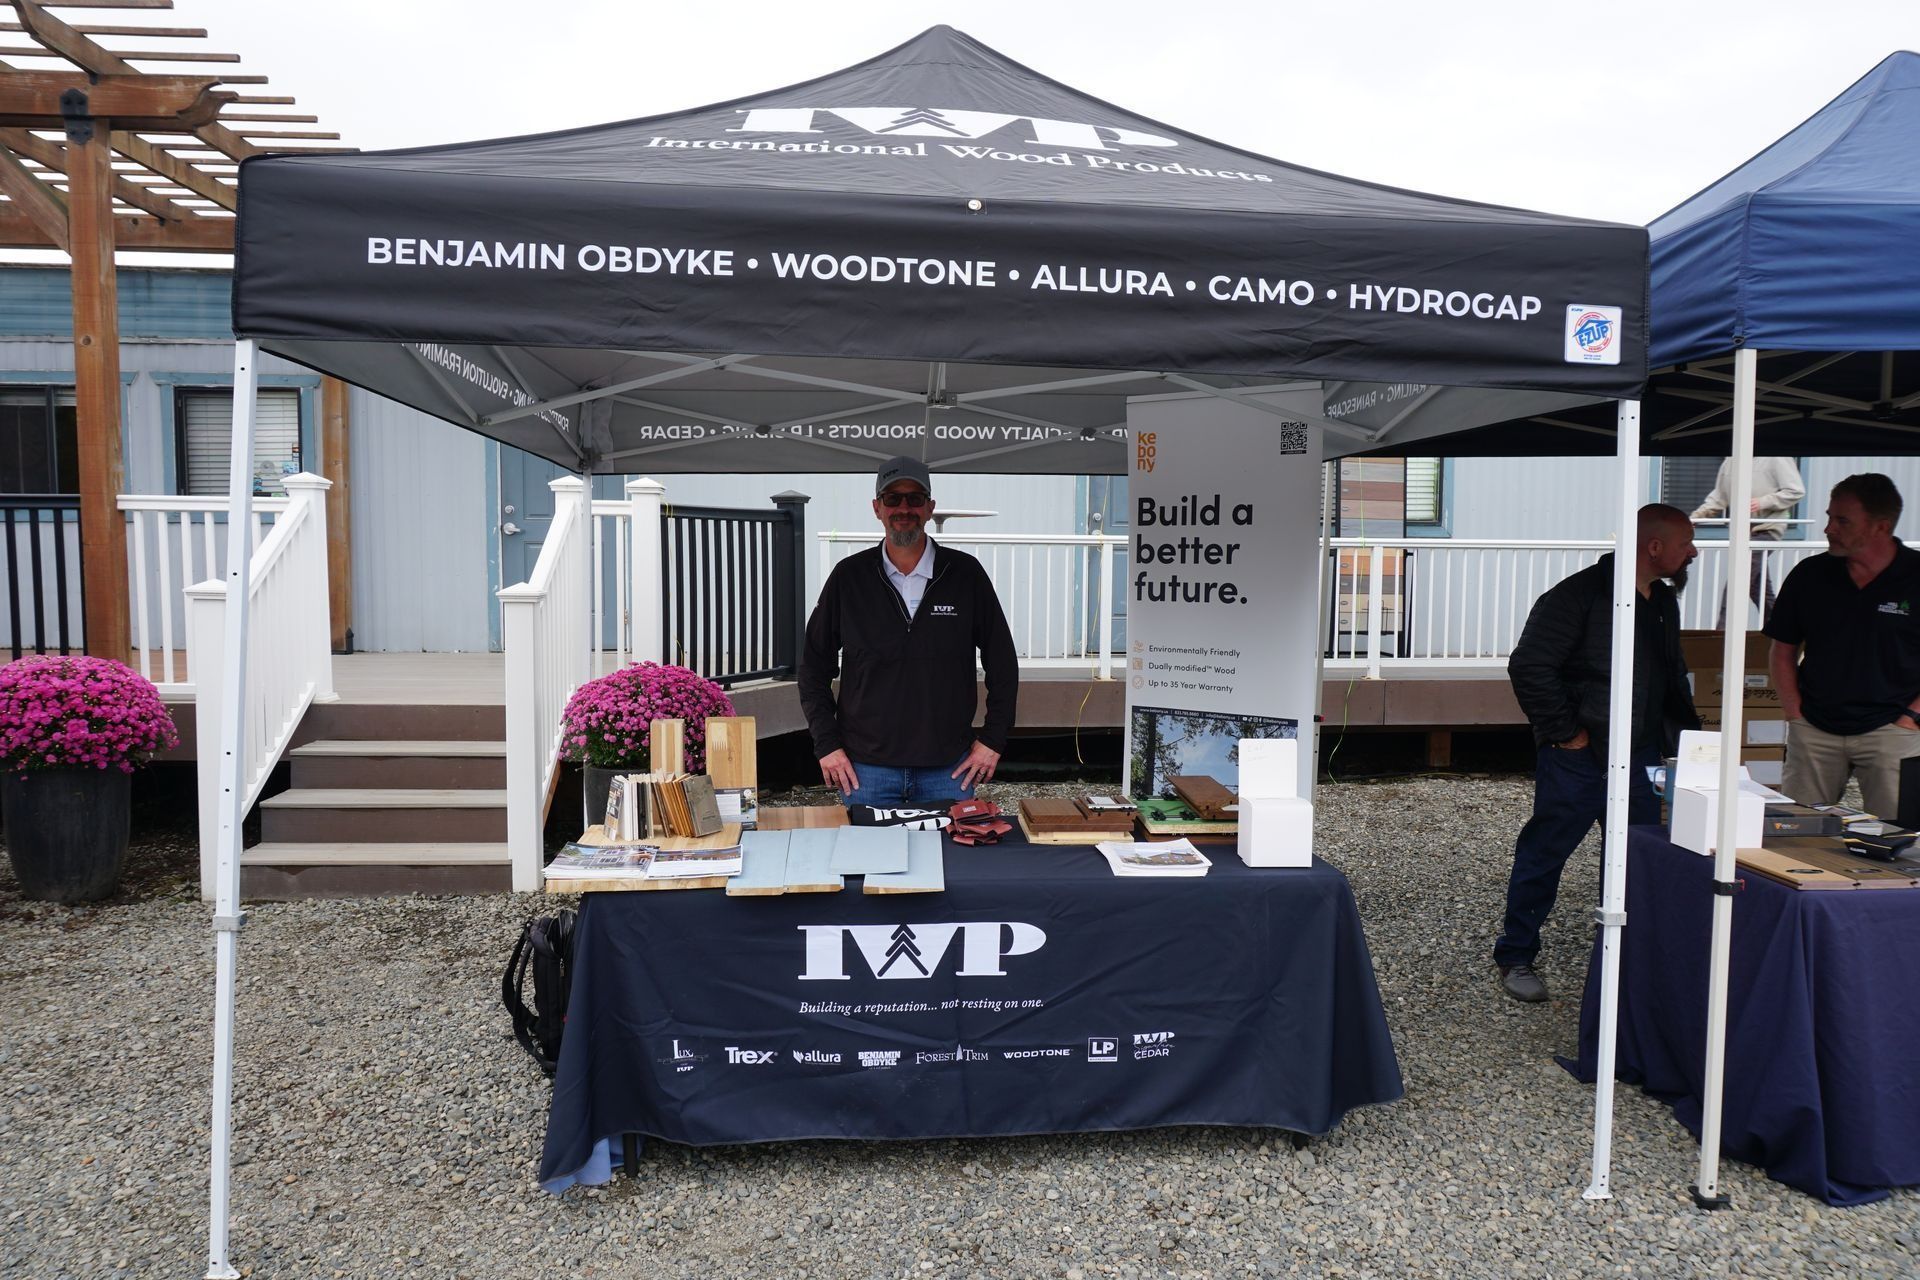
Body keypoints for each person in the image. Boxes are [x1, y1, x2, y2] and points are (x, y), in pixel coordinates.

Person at [1495, 504, 1702, 1004]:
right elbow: (1529, 666)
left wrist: (1691, 740)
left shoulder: (1661, 602)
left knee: (1638, 856)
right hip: (1579, 756)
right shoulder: (1578, 596)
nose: (1693, 551)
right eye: (1685, 543)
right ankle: (1516, 953)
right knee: (1546, 853)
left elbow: (1671, 678)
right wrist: (1568, 734)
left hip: (1642, 753)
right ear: (1655, 547)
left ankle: (1633, 956)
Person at [798, 456, 1019, 808]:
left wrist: (993, 741)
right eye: (892, 498)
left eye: (915, 499)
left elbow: (1003, 665)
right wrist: (827, 745)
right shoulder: (848, 578)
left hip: (949, 770)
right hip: (865, 772)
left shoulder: (965, 574)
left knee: (956, 863)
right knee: (869, 864)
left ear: (930, 508)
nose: (904, 508)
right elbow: (813, 668)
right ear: (877, 508)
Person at [1766, 474, 1920, 817]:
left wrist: (1911, 718)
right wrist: (1796, 716)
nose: (1828, 529)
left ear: (1881, 527)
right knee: (1797, 836)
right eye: (1828, 517)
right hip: (1815, 729)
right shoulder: (1810, 575)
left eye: (1842, 520)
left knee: (1900, 840)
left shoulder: (1915, 577)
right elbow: (1783, 650)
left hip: (1893, 731)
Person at [1690, 456, 1805, 624]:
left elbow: (1796, 491)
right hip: (1741, 534)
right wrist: (1695, 518)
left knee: (1738, 582)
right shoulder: (1731, 460)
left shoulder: (1777, 457)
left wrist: (1762, 502)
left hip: (1765, 530)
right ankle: (1783, 630)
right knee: (1758, 589)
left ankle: (1721, 638)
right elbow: (1718, 497)